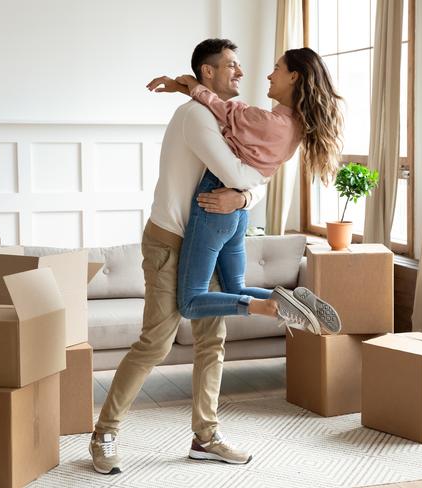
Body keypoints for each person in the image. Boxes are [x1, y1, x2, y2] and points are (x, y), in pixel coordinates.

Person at [89, 38, 323, 476]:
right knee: (156, 342)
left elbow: (256, 178)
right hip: (170, 240)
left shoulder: (225, 115)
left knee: (212, 341)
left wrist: (246, 195)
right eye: (231, 66)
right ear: (208, 73)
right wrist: (245, 191)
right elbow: (237, 174)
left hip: (207, 240)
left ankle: (206, 436)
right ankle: (105, 432)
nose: (241, 72)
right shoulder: (196, 116)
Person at [146, 46, 345, 334]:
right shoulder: (295, 127)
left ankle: (265, 307)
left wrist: (186, 86)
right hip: (237, 213)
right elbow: (257, 176)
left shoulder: (267, 122)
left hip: (215, 203)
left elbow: (223, 110)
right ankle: (295, 302)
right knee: (235, 286)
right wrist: (244, 199)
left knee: (190, 302)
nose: (268, 74)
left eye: (276, 68)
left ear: (293, 77)